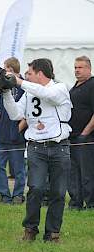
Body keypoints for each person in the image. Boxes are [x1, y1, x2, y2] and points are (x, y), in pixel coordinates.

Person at [3, 58, 71, 243]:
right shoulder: (27, 93)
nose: (26, 76)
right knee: (36, 188)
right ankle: (30, 230)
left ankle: (53, 233)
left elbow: (48, 96)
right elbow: (16, 114)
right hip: (36, 147)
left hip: (59, 146)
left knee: (58, 192)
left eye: (30, 73)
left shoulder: (60, 88)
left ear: (40, 73)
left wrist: (19, 82)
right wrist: (7, 92)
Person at [0, 57, 26, 205]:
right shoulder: (4, 87)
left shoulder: (24, 87)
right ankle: (4, 196)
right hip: (2, 134)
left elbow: (27, 113)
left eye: (6, 69)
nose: (4, 72)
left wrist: (19, 129)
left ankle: (18, 195)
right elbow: (1, 108)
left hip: (16, 135)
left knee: (18, 169)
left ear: (12, 70)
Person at [68, 56, 94, 210]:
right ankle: (75, 202)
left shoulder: (92, 85)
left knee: (87, 173)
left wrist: (85, 132)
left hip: (86, 137)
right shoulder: (75, 86)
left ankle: (91, 204)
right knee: (73, 172)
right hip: (72, 137)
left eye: (81, 67)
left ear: (89, 68)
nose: (77, 70)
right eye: (76, 67)